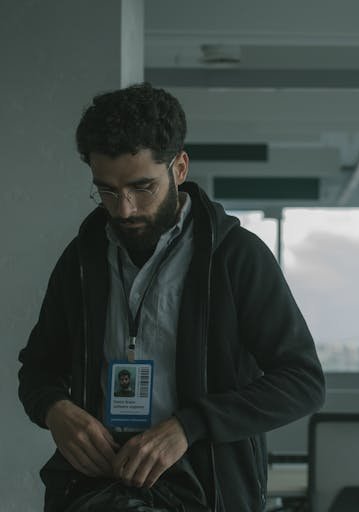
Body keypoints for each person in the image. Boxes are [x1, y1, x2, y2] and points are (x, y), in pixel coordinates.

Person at [18, 83, 325, 511]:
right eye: (106, 190)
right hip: (96, 490)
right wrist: (54, 408)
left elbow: (303, 382)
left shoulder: (237, 257)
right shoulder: (82, 259)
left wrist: (189, 426)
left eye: (143, 188)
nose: (123, 209)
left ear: (179, 168)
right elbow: (36, 367)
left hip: (208, 488)